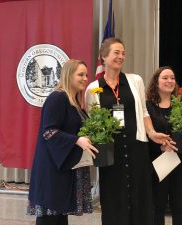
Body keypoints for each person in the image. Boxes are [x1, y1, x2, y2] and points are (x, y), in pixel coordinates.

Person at [85, 38, 170, 225]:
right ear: (104, 56)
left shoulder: (135, 80)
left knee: (140, 196)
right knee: (114, 198)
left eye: (123, 53)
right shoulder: (93, 88)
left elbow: (144, 112)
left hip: (136, 147)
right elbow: (92, 123)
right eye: (116, 52)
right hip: (110, 152)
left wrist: (152, 133)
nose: (121, 56)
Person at [27, 59, 98, 225]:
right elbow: (49, 131)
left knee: (60, 217)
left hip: (63, 168)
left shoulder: (73, 102)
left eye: (86, 75)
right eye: (80, 74)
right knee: (49, 219)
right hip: (52, 170)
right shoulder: (57, 98)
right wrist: (77, 140)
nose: (85, 78)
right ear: (68, 75)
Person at [146, 66, 182, 225]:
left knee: (179, 206)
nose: (170, 81)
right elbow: (144, 137)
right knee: (157, 206)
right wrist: (160, 147)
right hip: (158, 162)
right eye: (165, 78)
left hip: (181, 162)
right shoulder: (148, 107)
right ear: (156, 82)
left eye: (172, 78)